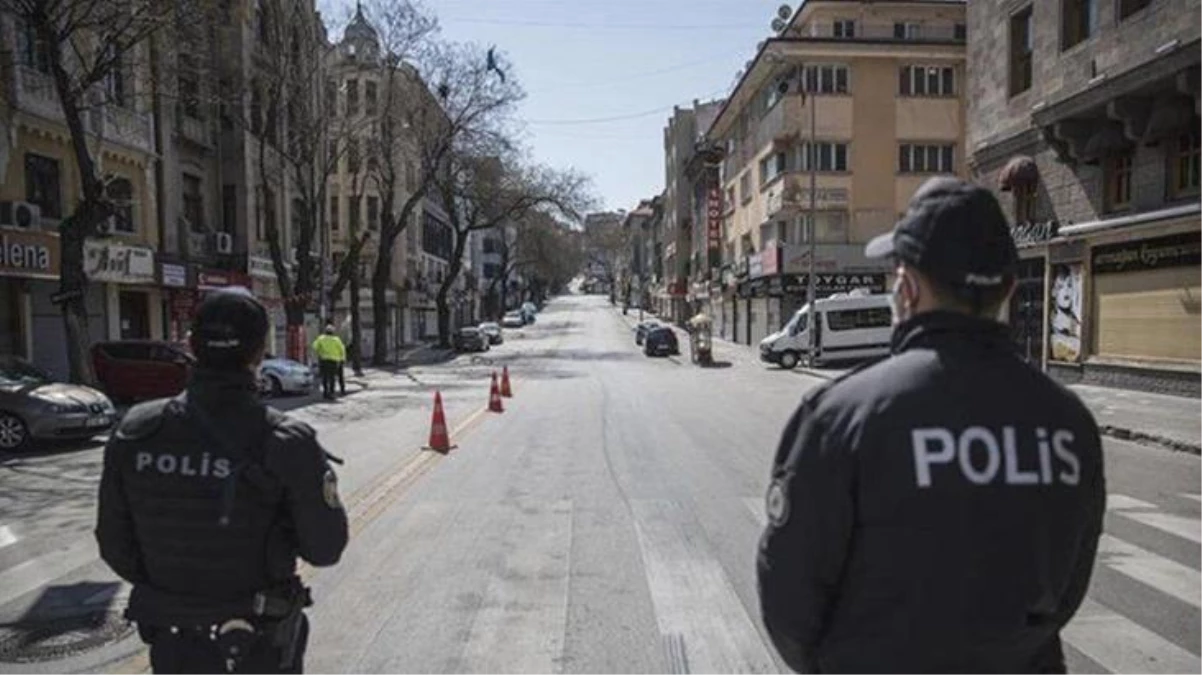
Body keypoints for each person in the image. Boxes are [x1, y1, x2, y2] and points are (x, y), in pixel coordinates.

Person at [757, 177, 1105, 675]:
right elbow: (1068, 588)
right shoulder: (1070, 423)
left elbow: (790, 592)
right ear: (1007, 289)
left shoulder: (842, 415)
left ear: (908, 287)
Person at [96, 288, 348, 674]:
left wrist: (177, 587)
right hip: (260, 642)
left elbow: (114, 543)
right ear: (260, 351)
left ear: (192, 346)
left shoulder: (137, 432)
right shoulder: (285, 441)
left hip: (174, 640)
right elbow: (325, 548)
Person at [311, 325, 345, 401]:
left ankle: (325, 392)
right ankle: (332, 393)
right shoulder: (336, 340)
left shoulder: (321, 339)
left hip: (324, 360)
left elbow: (314, 347)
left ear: (325, 331)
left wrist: (319, 353)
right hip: (334, 361)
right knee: (332, 378)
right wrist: (342, 359)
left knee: (325, 377)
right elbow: (342, 350)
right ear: (333, 332)